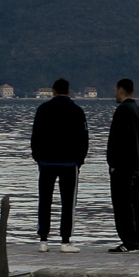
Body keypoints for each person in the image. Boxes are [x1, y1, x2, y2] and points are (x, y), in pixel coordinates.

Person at [30, 78, 89, 253]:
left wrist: (38, 158)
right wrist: (80, 160)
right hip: (69, 163)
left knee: (44, 201)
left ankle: (43, 240)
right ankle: (65, 241)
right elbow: (84, 138)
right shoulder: (77, 111)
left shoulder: (43, 109)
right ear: (68, 92)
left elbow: (35, 136)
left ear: (53, 91)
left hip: (46, 162)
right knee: (68, 203)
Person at [106, 77, 139, 252]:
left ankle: (129, 241)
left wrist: (113, 162)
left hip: (123, 165)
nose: (115, 93)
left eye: (116, 90)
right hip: (136, 163)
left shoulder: (122, 111)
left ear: (121, 90)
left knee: (122, 203)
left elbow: (117, 139)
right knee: (135, 202)